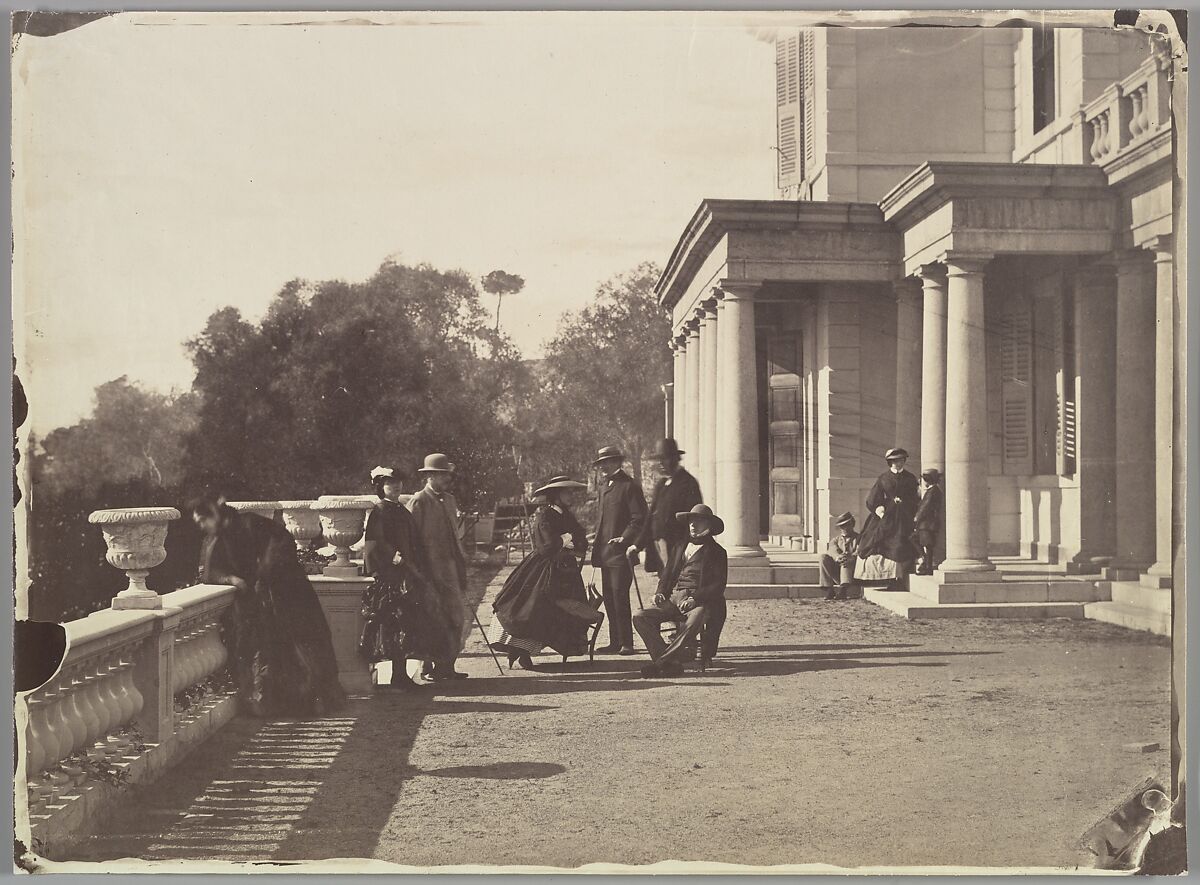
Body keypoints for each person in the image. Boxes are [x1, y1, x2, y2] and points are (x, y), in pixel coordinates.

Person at [192, 493, 345, 717]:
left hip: (287, 594)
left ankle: (310, 702)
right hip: (260, 601)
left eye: (204, 520)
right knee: (269, 649)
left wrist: (265, 573)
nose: (203, 526)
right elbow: (209, 571)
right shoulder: (216, 539)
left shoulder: (250, 523)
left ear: (215, 514)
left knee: (301, 643)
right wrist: (230, 579)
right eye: (199, 523)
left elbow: (283, 542)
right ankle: (280, 705)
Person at [488, 475, 603, 668]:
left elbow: (581, 538)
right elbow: (547, 547)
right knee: (531, 608)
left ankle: (528, 650)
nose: (571, 496)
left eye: (571, 492)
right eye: (567, 493)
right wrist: (566, 539)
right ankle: (520, 650)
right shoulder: (545, 515)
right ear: (556, 495)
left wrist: (572, 541)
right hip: (543, 570)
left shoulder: (566, 514)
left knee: (557, 612)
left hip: (565, 572)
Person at [360, 466, 456, 691]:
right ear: (381, 488)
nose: (396, 486)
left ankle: (401, 675)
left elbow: (414, 541)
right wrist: (393, 557)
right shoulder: (380, 511)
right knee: (393, 625)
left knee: (406, 625)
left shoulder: (400, 509)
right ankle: (397, 676)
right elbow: (374, 543)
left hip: (407, 575)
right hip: (391, 578)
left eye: (398, 483)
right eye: (390, 483)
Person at [633, 504, 728, 678]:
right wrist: (660, 592)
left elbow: (718, 585)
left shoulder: (717, 552)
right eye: (691, 521)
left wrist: (695, 599)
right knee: (640, 616)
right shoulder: (680, 546)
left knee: (695, 619)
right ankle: (671, 662)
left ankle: (660, 663)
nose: (693, 525)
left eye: (698, 521)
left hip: (699, 601)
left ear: (709, 525)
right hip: (674, 598)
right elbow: (667, 574)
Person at [409, 453, 471, 681]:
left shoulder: (450, 499)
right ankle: (429, 667)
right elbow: (411, 540)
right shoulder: (419, 501)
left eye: (448, 474)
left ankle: (447, 665)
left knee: (456, 616)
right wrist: (418, 571)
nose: (447, 479)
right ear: (430, 476)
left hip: (451, 568)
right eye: (442, 474)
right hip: (428, 571)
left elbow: (455, 535)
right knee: (431, 617)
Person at [589, 445, 648, 656]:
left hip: (620, 553)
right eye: (601, 463)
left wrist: (625, 538)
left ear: (617, 462)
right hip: (605, 554)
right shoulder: (605, 487)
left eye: (608, 462)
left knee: (620, 596)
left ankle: (627, 643)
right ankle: (614, 642)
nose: (604, 466)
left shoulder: (628, 486)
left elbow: (639, 519)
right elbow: (604, 521)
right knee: (609, 598)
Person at [855, 447, 920, 590]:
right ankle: (882, 579)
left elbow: (915, 498)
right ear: (890, 462)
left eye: (901, 460)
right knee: (874, 540)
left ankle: (898, 580)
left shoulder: (910, 478)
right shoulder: (883, 478)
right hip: (887, 515)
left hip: (904, 515)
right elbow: (872, 499)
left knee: (900, 544)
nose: (899, 463)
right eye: (895, 461)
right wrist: (880, 510)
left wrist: (907, 506)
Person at [638, 438, 703, 576]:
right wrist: (637, 545)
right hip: (659, 546)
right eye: (658, 459)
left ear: (675, 458)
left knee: (677, 583)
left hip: (677, 546)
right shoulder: (661, 484)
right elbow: (650, 518)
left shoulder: (687, 483)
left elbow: (694, 519)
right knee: (664, 582)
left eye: (665, 458)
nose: (660, 463)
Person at [820, 511, 860, 600]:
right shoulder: (835, 540)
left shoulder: (859, 538)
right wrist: (838, 557)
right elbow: (832, 550)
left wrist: (850, 557)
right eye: (842, 526)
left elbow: (860, 551)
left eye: (847, 525)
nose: (845, 528)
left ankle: (843, 590)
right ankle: (829, 589)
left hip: (853, 574)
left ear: (852, 525)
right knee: (823, 557)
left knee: (847, 559)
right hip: (837, 572)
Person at [913, 468, 944, 575]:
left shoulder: (932, 491)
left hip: (927, 524)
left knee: (926, 545)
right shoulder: (934, 490)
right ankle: (926, 563)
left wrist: (916, 518)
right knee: (926, 545)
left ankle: (927, 565)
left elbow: (925, 507)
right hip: (928, 524)